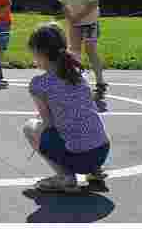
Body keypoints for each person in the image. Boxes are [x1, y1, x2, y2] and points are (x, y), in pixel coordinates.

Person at [23, 23, 111, 192]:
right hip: (101, 151)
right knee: (83, 123)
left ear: (40, 53)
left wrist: (42, 124)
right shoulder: (78, 74)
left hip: (79, 157)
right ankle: (95, 171)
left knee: (30, 127)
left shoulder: (39, 84)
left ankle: (65, 177)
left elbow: (49, 124)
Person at [58, 0, 108, 101]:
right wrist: (70, 17)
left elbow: (94, 3)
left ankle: (100, 83)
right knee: (74, 52)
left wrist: (78, 17)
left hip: (89, 22)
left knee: (91, 52)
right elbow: (63, 3)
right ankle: (77, 83)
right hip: (74, 22)